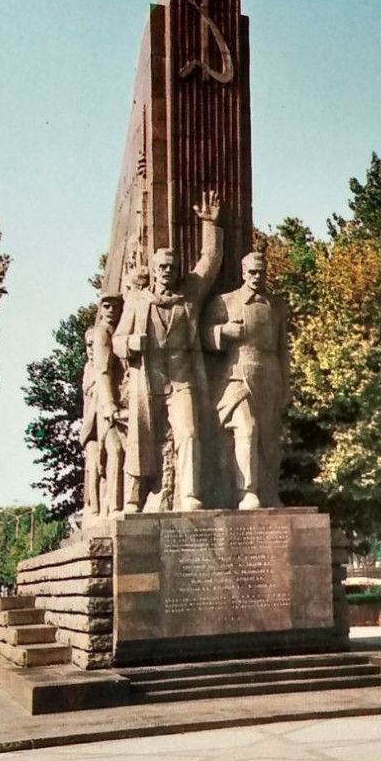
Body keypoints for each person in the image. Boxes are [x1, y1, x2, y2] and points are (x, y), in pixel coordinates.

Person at [113, 190, 223, 511]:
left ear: (177, 270)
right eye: (161, 266)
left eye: (172, 266)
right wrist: (132, 344)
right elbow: (118, 340)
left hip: (181, 381)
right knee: (140, 440)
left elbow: (210, 263)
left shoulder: (189, 295)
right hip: (147, 382)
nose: (166, 271)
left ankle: (189, 494)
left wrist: (210, 225)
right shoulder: (137, 301)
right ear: (154, 269)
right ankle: (133, 498)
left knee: (189, 433)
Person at [202, 250, 290, 509]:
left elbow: (282, 349)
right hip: (236, 376)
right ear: (243, 272)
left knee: (269, 440)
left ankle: (269, 492)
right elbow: (200, 337)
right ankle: (246, 491)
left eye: (261, 272)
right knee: (247, 428)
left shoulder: (277, 306)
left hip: (269, 376)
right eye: (252, 271)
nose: (257, 276)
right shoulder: (225, 302)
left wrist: (286, 386)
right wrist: (223, 331)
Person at [92, 292, 126, 518]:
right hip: (110, 407)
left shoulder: (119, 330)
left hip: (124, 402)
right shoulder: (102, 333)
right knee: (115, 450)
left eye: (115, 306)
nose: (111, 310)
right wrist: (109, 405)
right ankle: (113, 506)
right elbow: (102, 372)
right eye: (107, 306)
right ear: (101, 309)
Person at [78, 327, 101, 526]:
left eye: (95, 344)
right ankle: (93, 509)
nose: (92, 349)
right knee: (93, 467)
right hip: (92, 428)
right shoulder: (89, 369)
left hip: (106, 424)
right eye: (89, 345)